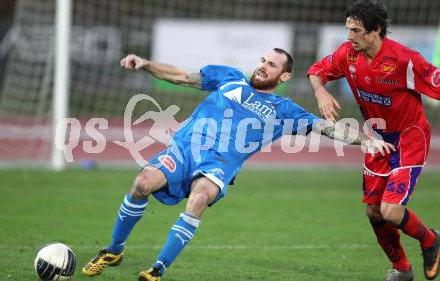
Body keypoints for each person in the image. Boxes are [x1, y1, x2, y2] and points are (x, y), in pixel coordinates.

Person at [82, 48, 394, 280]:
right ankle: (114, 249)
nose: (262, 66)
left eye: (271, 65)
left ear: (283, 76)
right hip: (183, 150)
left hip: (219, 165)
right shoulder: (229, 78)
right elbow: (180, 76)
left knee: (200, 195)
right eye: (262, 60)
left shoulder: (284, 109)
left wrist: (365, 141)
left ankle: (157, 269)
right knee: (141, 184)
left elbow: (326, 127)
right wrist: (146, 64)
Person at [308, 0, 440, 281]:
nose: (349, 36)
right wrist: (321, 92)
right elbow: (316, 72)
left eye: (356, 30)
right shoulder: (348, 54)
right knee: (374, 212)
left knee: (391, 211)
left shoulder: (406, 60)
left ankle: (430, 240)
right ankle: (402, 270)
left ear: (376, 30)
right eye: (348, 29)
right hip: (377, 139)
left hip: (409, 138)